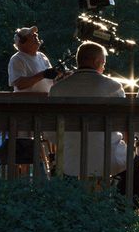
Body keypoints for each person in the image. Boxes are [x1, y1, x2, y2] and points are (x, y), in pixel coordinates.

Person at [48, 41, 127, 178]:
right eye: (103, 63)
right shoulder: (114, 87)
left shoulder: (57, 89)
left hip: (69, 162)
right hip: (108, 160)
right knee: (134, 162)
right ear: (97, 61)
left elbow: (50, 132)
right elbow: (123, 123)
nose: (103, 67)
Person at [8, 26, 58, 93]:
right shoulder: (17, 59)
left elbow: (52, 80)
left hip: (45, 101)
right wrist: (43, 74)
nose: (36, 35)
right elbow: (20, 84)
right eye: (31, 35)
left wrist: (61, 75)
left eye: (35, 34)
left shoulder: (42, 56)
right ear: (22, 42)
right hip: (27, 102)